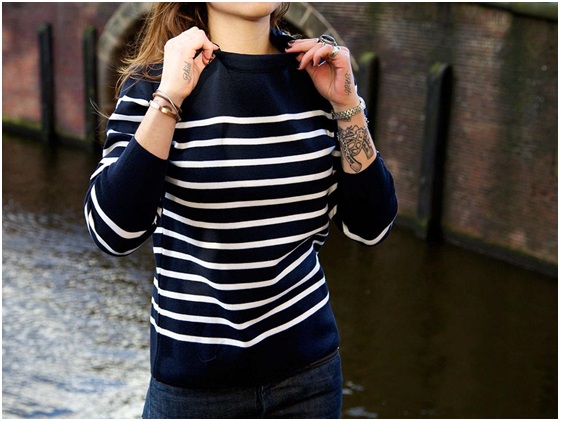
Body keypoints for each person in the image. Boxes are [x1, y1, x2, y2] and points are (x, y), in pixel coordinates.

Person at [84, 2, 397, 418]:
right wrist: (170, 98)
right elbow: (112, 232)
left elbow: (370, 227)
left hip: (308, 380)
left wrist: (347, 104)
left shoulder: (317, 75)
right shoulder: (157, 83)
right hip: (194, 391)